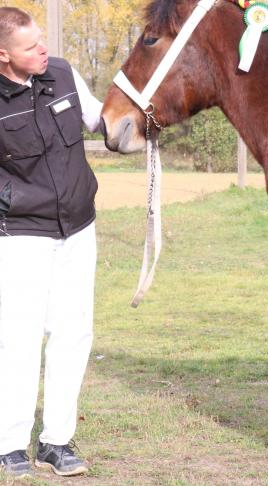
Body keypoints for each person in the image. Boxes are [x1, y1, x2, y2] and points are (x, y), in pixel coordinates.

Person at [0, 6, 102, 478]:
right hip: (21, 234)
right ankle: (10, 444)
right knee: (18, 338)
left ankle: (56, 442)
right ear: (3, 55)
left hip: (79, 227)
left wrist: (146, 114)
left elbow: (102, 120)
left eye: (42, 39)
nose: (44, 50)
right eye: (30, 46)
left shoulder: (61, 73)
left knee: (74, 331)